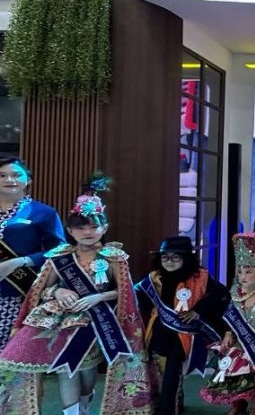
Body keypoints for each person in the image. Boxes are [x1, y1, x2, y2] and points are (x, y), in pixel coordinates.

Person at [0, 174, 154, 415]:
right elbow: (41, 289)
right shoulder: (60, 256)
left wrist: (98, 297)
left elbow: (124, 291)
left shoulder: (114, 257)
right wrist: (58, 290)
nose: (87, 232)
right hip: (62, 318)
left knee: (85, 368)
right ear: (70, 231)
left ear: (104, 228)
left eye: (93, 227)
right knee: (65, 368)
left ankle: (84, 404)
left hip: (98, 319)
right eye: (80, 228)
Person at [135, 236, 230, 415]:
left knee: (172, 371)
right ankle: (170, 403)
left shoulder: (200, 277)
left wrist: (198, 310)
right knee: (160, 371)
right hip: (159, 332)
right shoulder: (154, 278)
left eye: (175, 257)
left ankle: (167, 410)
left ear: (186, 258)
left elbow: (222, 294)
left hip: (184, 335)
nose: (169, 262)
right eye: (165, 257)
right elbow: (136, 295)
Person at [200, 233, 255, 415]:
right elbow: (230, 319)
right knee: (234, 373)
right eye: (240, 271)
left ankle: (254, 406)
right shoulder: (235, 295)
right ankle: (237, 404)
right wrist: (227, 334)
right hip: (239, 343)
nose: (243, 276)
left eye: (248, 272)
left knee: (254, 376)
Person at [0, 157, 65, 349]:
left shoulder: (43, 212)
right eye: (2, 175)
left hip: (18, 290)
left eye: (16, 175)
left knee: (10, 350)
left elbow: (60, 250)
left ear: (28, 180)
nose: (9, 180)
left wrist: (21, 261)